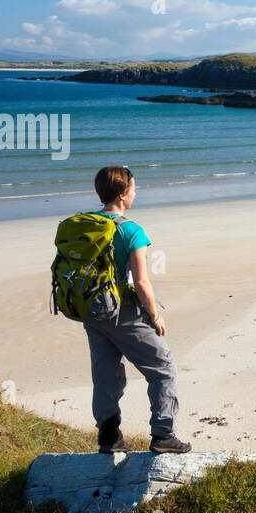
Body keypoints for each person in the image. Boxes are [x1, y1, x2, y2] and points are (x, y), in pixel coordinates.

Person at [83, 166, 191, 454]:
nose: (135, 192)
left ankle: (108, 437)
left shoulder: (86, 226)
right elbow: (141, 282)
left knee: (105, 374)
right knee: (163, 369)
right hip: (124, 312)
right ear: (122, 194)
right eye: (133, 188)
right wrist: (155, 315)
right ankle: (163, 435)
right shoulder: (131, 230)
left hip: (92, 312)